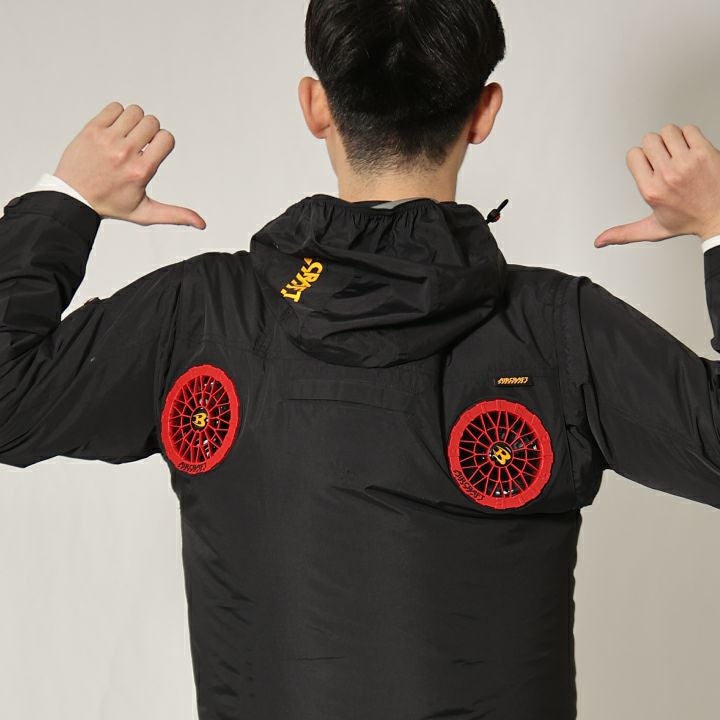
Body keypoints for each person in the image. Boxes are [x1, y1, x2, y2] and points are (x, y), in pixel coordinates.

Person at [2, 1, 720, 718]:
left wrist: (69, 200)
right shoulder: (560, 329)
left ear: (315, 106)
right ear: (484, 112)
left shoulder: (201, 316)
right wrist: (717, 224)